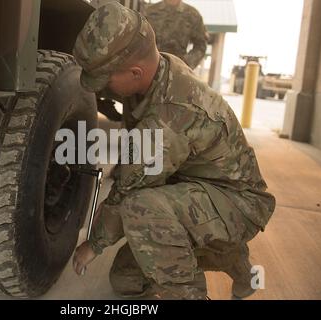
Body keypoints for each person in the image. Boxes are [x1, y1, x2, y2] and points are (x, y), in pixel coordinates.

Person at [72, 2, 275, 300]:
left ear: (135, 72)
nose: (102, 91)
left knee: (139, 208)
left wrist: (94, 243)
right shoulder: (154, 74)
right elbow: (137, 162)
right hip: (195, 188)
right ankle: (230, 257)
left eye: (104, 82)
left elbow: (131, 188)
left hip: (238, 202)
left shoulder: (172, 112)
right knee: (125, 279)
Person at [145, 0, 208, 70]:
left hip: (178, 71)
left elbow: (200, 46)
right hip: (150, 67)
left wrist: (185, 63)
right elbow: (139, 40)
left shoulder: (192, 15)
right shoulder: (149, 11)